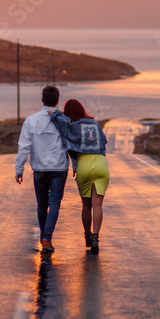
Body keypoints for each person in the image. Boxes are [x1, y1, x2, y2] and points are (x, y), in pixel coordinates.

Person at [15, 86, 70, 253]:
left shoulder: (31, 120)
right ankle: (47, 238)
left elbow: (24, 146)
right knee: (54, 203)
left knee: (41, 203)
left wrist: (19, 168)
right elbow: (71, 144)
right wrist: (75, 164)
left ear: (42, 99)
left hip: (39, 167)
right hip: (59, 167)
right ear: (58, 100)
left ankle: (44, 236)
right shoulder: (65, 121)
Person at [51, 99, 109, 254]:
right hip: (100, 163)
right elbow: (103, 143)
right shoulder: (94, 123)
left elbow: (63, 128)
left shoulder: (71, 125)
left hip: (84, 165)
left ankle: (87, 236)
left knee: (86, 205)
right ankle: (96, 237)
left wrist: (53, 112)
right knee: (98, 205)